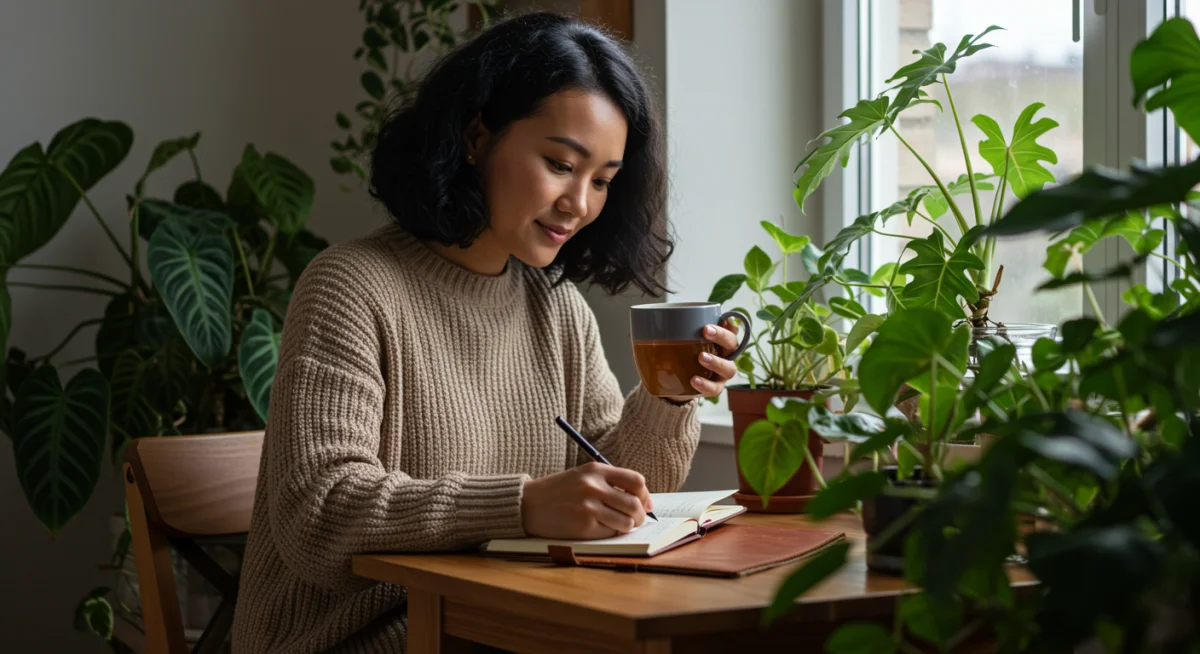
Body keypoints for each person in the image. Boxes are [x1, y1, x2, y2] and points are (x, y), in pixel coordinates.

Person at [232, 12, 740, 653]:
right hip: (364, 639)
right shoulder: (351, 286)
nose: (579, 203)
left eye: (603, 181)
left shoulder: (556, 310)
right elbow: (321, 514)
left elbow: (621, 489)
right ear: (476, 136)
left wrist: (670, 394)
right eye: (561, 163)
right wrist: (522, 506)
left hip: (497, 625)